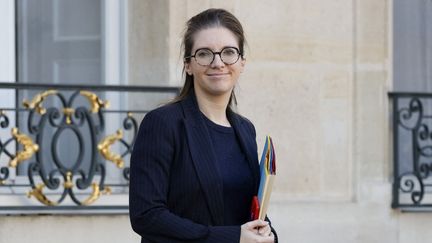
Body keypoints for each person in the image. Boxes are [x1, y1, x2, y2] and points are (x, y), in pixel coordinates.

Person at [129, 8, 277, 243]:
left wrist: (267, 233)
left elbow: (250, 208)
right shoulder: (163, 124)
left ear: (241, 62)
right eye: (205, 54)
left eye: (229, 52)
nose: (218, 63)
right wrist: (232, 238)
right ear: (188, 65)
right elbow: (146, 216)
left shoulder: (245, 130)